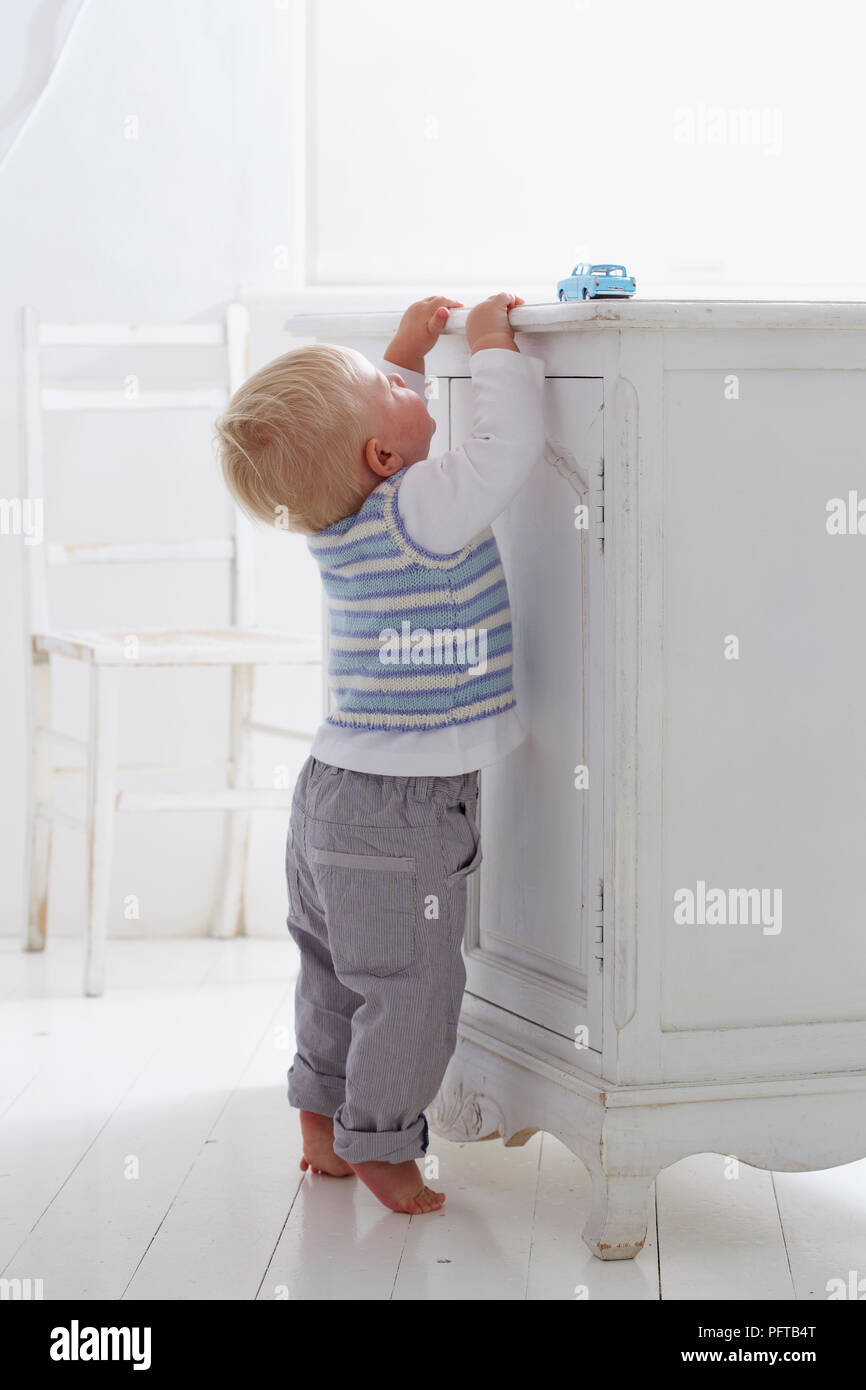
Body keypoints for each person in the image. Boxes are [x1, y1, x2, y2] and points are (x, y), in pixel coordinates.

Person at [214, 293, 545, 1214]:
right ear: (383, 459)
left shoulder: (339, 520)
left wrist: (395, 356)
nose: (416, 387)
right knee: (410, 985)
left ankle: (321, 1120)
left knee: (331, 972)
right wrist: (491, 350)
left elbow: (377, 432)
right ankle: (384, 1144)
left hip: (329, 794)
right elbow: (503, 451)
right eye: (393, 387)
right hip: (401, 815)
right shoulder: (420, 508)